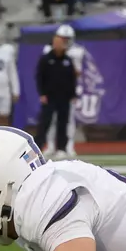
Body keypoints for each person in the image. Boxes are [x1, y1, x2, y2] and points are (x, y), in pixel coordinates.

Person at [34, 27, 77, 159]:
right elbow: (39, 77)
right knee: (45, 122)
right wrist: (42, 93)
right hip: (50, 96)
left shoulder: (68, 60)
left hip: (64, 97)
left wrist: (72, 94)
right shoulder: (46, 59)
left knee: (62, 123)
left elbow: (72, 78)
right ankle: (38, 147)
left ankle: (61, 148)